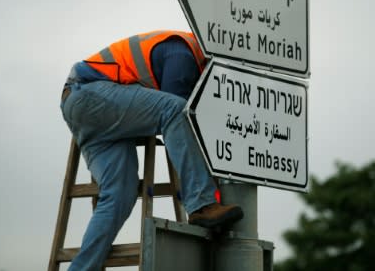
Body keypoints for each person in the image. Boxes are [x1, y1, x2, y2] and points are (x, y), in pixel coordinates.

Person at [60, 30, 243, 270]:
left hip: (86, 110)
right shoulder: (184, 52)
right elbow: (178, 120)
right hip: (89, 92)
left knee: (119, 194)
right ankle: (201, 204)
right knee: (175, 111)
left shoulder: (190, 61)